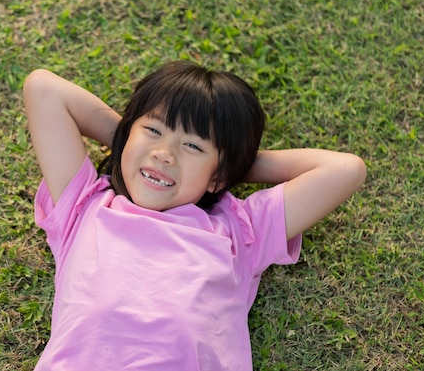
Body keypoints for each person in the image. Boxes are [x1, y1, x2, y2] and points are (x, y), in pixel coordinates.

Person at [22, 61, 366, 370]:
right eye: (153, 131)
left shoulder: (240, 232)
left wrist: (234, 167)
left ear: (218, 176)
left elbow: (345, 169)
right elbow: (43, 89)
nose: (164, 154)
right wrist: (129, 139)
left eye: (193, 147)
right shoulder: (85, 208)